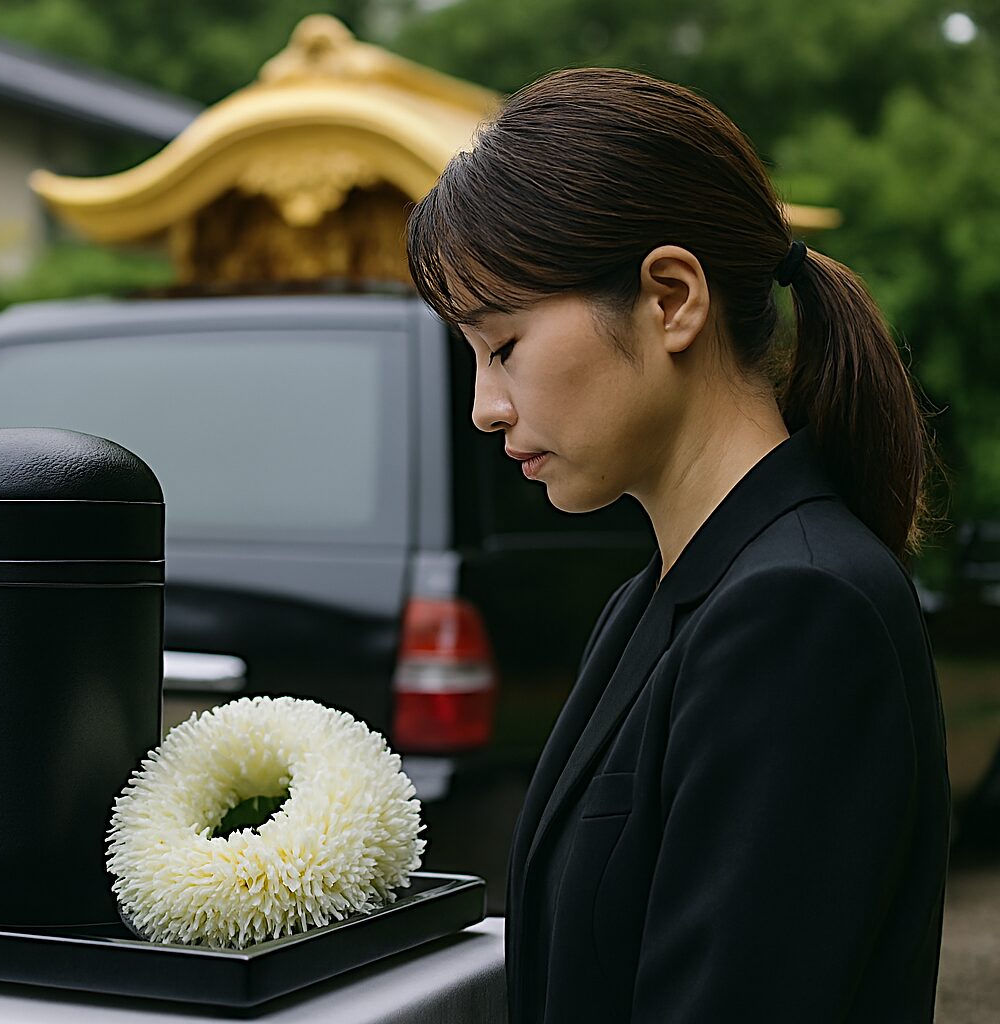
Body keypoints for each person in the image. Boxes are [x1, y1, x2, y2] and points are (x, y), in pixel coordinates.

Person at [406, 68, 949, 1023]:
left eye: (504, 345)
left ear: (670, 299)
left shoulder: (798, 612)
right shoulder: (663, 596)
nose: (486, 409)